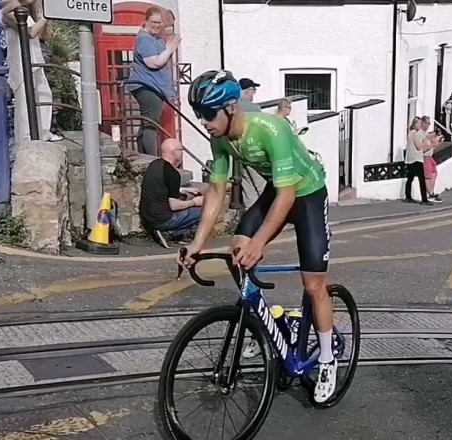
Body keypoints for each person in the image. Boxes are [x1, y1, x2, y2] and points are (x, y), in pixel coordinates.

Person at [179, 70, 336, 403]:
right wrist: (197, 243)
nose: (203, 121)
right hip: (277, 192)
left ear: (231, 108)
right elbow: (217, 190)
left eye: (208, 114)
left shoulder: (271, 129)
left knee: (313, 284)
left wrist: (260, 243)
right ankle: (267, 324)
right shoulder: (219, 138)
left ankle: (326, 358)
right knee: (238, 250)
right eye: (199, 114)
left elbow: (287, 195)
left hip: (305, 193)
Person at [1, 0, 62, 145]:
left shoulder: (25, 12)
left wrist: (40, 12)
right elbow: (31, 33)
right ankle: (26, 137)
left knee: (44, 94)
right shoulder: (7, 14)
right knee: (24, 100)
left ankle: (43, 132)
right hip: (21, 61)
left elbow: (41, 35)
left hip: (34, 59)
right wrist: (46, 16)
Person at [125, 7, 180, 156]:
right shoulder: (144, 39)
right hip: (147, 87)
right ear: (146, 21)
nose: (158, 25)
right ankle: (152, 159)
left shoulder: (155, 37)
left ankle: (142, 155)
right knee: (151, 125)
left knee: (147, 123)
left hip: (154, 87)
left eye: (160, 22)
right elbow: (154, 63)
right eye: (154, 22)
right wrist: (170, 49)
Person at [139, 138, 203, 248]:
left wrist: (182, 190)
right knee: (204, 211)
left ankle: (174, 233)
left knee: (183, 199)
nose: (182, 153)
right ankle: (170, 233)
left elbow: (161, 187)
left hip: (148, 217)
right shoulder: (173, 174)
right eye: (181, 149)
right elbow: (174, 205)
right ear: (174, 152)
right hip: (162, 219)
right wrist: (194, 202)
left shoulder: (154, 165)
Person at [404, 116, 431, 205]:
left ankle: (408, 197)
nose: (419, 125)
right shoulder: (414, 134)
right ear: (414, 124)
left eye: (420, 123)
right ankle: (424, 199)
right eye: (418, 123)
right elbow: (419, 147)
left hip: (410, 159)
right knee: (421, 179)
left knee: (410, 178)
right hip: (416, 159)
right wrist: (426, 139)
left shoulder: (410, 133)